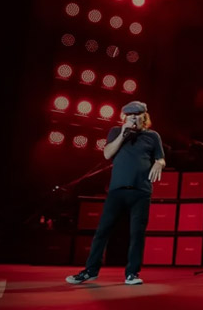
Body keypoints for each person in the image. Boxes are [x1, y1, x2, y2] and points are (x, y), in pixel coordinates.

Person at [67, 101, 165, 286]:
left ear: (144, 117)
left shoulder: (152, 136)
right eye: (130, 115)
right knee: (102, 231)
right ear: (124, 118)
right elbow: (107, 154)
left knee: (137, 234)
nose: (133, 118)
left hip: (141, 191)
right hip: (117, 190)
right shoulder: (115, 132)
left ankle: (132, 273)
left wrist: (159, 163)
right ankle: (90, 271)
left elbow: (161, 158)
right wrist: (123, 134)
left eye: (137, 115)